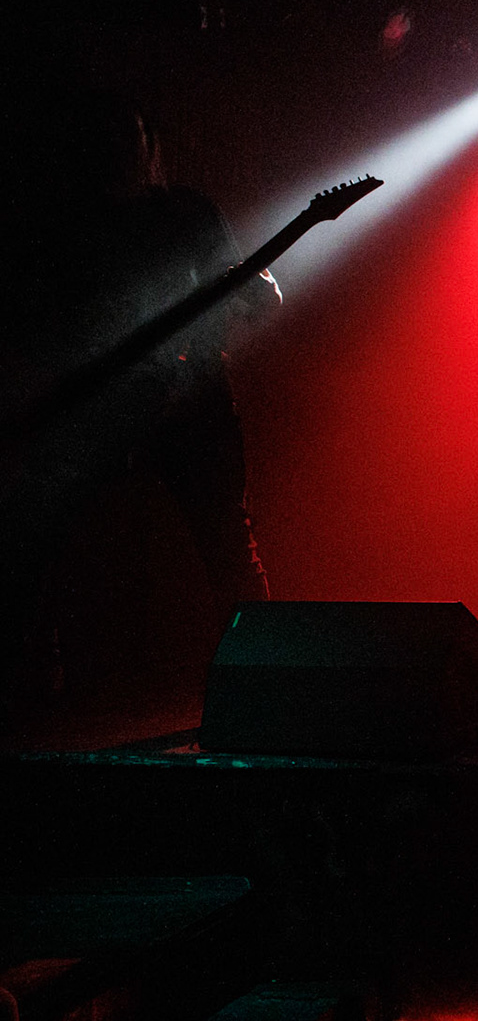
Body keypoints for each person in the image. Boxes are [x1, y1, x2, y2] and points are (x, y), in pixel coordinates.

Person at [2, 84, 275, 711]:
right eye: (104, 139)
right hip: (104, 406)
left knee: (226, 541)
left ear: (148, 143)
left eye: (129, 135)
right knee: (39, 529)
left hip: (194, 401)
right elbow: (32, 326)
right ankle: (30, 680)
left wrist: (240, 303)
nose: (119, 149)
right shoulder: (61, 228)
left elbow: (263, 295)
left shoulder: (185, 213)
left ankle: (267, 672)